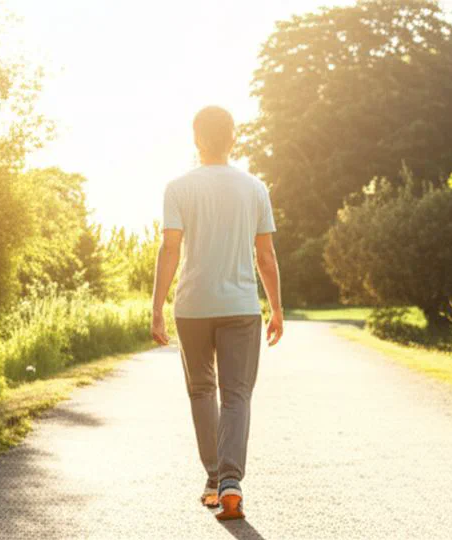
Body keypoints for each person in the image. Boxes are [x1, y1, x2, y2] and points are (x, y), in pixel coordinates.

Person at [150, 105, 283, 521]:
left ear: (196, 139)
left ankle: (213, 479)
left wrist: (157, 307)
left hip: (192, 307)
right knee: (237, 395)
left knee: (202, 391)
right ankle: (230, 482)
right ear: (234, 139)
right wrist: (277, 307)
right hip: (242, 308)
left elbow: (170, 248)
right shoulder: (255, 188)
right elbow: (266, 255)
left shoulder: (178, 188)